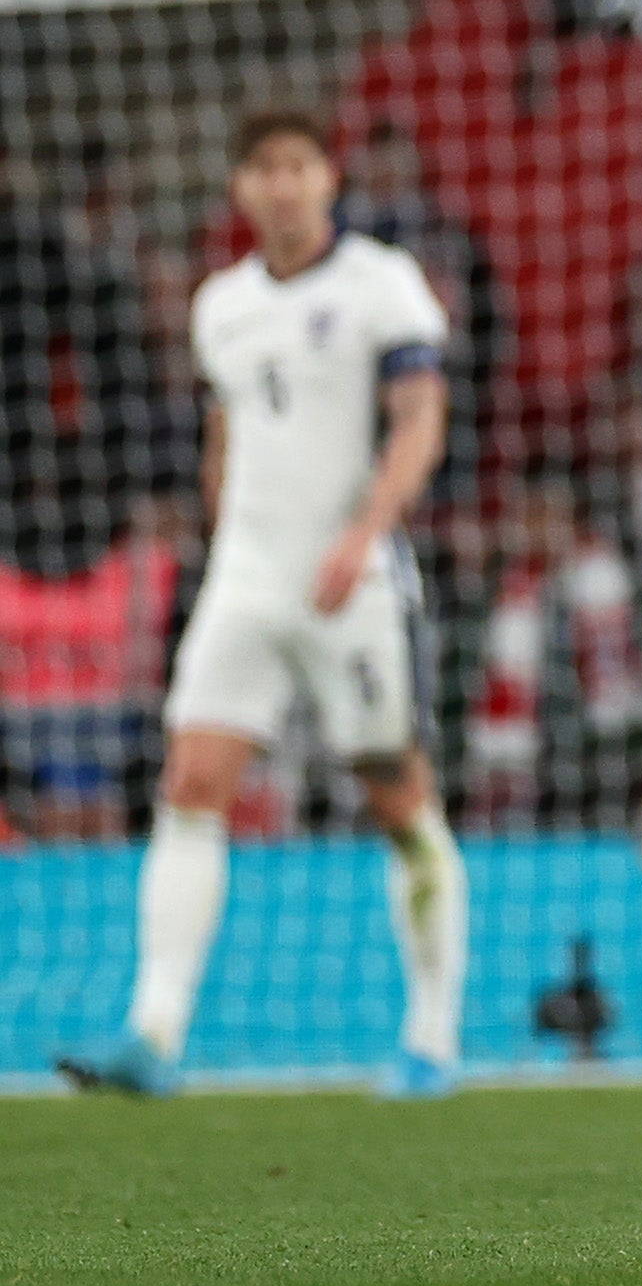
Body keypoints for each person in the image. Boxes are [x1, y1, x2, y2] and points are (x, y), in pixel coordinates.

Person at [59, 107, 470, 1100]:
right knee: (192, 780)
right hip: (247, 578)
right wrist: (222, 547)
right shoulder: (220, 306)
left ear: (330, 177)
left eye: (298, 166)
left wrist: (368, 529)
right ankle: (152, 1035)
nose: (282, 186)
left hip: (352, 580)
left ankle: (431, 1039)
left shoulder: (383, 284)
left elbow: (420, 423)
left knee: (396, 793)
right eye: (263, 170)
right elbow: (224, 441)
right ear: (239, 188)